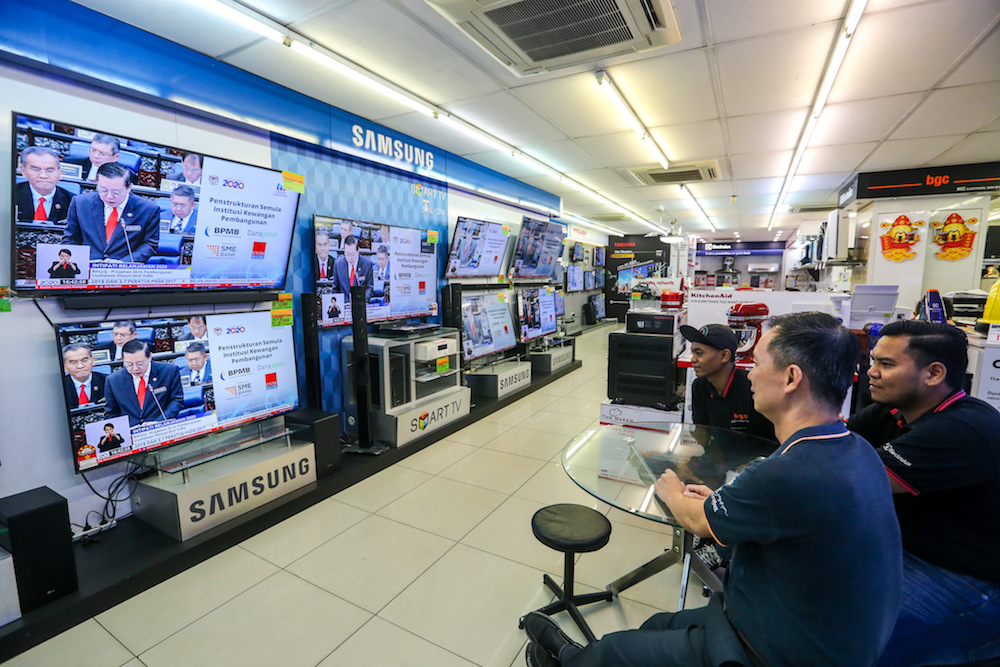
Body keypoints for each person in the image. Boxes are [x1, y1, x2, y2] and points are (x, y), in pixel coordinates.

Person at [523, 312, 902, 667]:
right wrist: (728, 501)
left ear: (790, 378)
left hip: (776, 649)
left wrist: (672, 491)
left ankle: (567, 659)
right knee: (658, 625)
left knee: (612, 652)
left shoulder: (785, 473)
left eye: (759, 365)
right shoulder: (856, 450)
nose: (750, 375)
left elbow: (699, 521)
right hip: (792, 616)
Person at [847, 320, 1000, 666]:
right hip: (910, 555)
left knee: (847, 638)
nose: (871, 372)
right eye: (873, 361)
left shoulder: (961, 429)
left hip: (971, 581)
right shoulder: (892, 412)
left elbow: (842, 484)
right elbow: (822, 451)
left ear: (933, 373)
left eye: (886, 364)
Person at [679, 323, 776, 443]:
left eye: (699, 353)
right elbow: (702, 433)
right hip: (718, 457)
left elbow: (772, 441)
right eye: (693, 353)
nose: (693, 359)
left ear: (725, 356)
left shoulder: (753, 387)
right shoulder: (699, 386)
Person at [62, 162, 160, 262]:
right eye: (103, 190)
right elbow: (71, 239)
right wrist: (80, 261)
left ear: (129, 188)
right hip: (88, 267)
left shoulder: (148, 209)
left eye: (115, 192)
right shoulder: (80, 203)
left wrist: (124, 263)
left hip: (125, 271)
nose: (109, 196)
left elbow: (150, 244)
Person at [104, 340, 183, 427]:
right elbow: (112, 413)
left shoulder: (169, 371)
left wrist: (159, 422)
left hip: (162, 428)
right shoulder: (113, 380)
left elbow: (177, 400)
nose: (135, 368)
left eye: (140, 364)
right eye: (129, 364)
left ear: (149, 357)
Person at [15, 146, 74, 223]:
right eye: (36, 170)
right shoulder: (9, 195)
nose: (43, 176)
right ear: (23, 171)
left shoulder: (73, 201)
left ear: (60, 173)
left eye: (50, 170)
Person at [61, 343, 105, 409]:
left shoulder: (108, 381)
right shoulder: (59, 387)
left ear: (93, 361)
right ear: (65, 366)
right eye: (73, 362)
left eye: (84, 360)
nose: (80, 366)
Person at [332, 235, 373, 303]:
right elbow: (335, 289)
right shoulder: (338, 264)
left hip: (360, 305)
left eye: (353, 254)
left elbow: (370, 288)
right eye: (347, 254)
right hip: (344, 305)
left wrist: (362, 301)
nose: (350, 258)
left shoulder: (367, 264)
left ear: (358, 250)